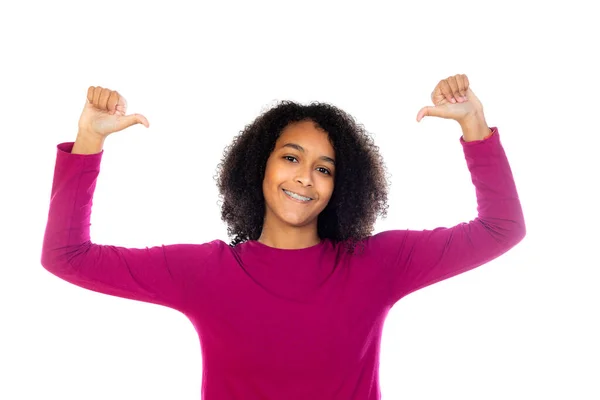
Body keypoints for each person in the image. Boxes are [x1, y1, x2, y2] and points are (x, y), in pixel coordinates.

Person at [41, 74, 526, 400]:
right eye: (291, 158)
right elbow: (67, 257)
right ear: (259, 166)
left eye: (324, 168)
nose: (305, 179)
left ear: (342, 186)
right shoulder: (205, 273)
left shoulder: (378, 262)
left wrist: (473, 126)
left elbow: (501, 229)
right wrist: (90, 140)